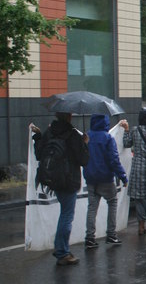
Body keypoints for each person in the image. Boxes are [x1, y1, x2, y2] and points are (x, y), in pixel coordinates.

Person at [31, 112, 89, 266]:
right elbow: (83, 160)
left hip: (53, 179)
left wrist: (37, 137)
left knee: (64, 213)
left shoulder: (49, 132)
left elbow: (39, 154)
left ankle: (62, 249)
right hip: (69, 181)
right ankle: (62, 252)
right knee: (66, 216)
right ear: (69, 117)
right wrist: (85, 143)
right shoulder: (73, 135)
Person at [83, 114, 128, 249]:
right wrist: (123, 177)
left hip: (90, 177)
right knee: (112, 202)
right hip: (105, 178)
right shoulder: (108, 138)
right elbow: (114, 160)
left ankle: (90, 237)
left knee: (92, 207)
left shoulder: (87, 136)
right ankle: (111, 235)